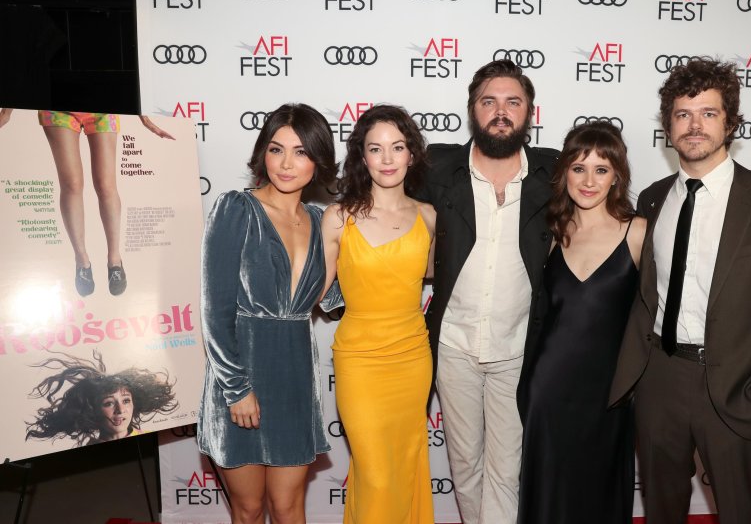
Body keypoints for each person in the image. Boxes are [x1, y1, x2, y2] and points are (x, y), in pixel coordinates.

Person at [609, 57, 751, 524]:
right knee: (661, 511)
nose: (694, 125)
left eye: (708, 113)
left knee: (743, 512)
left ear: (731, 123)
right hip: (659, 379)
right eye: (682, 114)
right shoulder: (653, 197)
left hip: (742, 384)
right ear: (668, 127)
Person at [417, 59, 558, 524]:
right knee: (465, 466)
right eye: (489, 102)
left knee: (507, 470)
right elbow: (379, 193)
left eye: (512, 102)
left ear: (529, 112)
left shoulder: (554, 173)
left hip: (518, 346)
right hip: (453, 345)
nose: (501, 111)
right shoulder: (437, 168)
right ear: (472, 110)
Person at [197, 103, 339, 524]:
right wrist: (236, 389)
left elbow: (330, 299)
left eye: (301, 152)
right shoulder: (236, 209)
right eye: (277, 150)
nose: (286, 163)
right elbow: (215, 308)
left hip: (295, 379)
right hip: (241, 375)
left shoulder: (322, 221)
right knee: (249, 508)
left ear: (318, 160)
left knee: (290, 507)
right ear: (263, 154)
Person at [516, 121, 645, 523]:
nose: (589, 181)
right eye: (578, 168)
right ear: (564, 174)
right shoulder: (551, 232)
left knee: (598, 493)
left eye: (601, 169)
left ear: (617, 176)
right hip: (548, 387)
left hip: (610, 391)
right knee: (548, 492)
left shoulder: (639, 232)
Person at [321, 104, 436, 524]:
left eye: (397, 147)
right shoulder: (338, 217)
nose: (387, 159)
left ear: (412, 154)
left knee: (404, 463)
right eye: (375, 148)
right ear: (362, 157)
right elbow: (316, 293)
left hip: (412, 358)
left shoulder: (428, 216)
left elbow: (428, 274)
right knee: (376, 474)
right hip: (360, 360)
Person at [0, 108, 174, 297]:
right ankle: (82, 261)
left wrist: (144, 117)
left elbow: (130, 86)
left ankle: (115, 261)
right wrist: (7, 111)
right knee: (71, 184)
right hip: (57, 105)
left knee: (106, 185)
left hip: (102, 103)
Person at [25, 349, 178, 446]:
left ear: (134, 404)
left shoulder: (152, 439)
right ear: (93, 410)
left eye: (126, 401)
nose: (120, 410)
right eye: (109, 403)